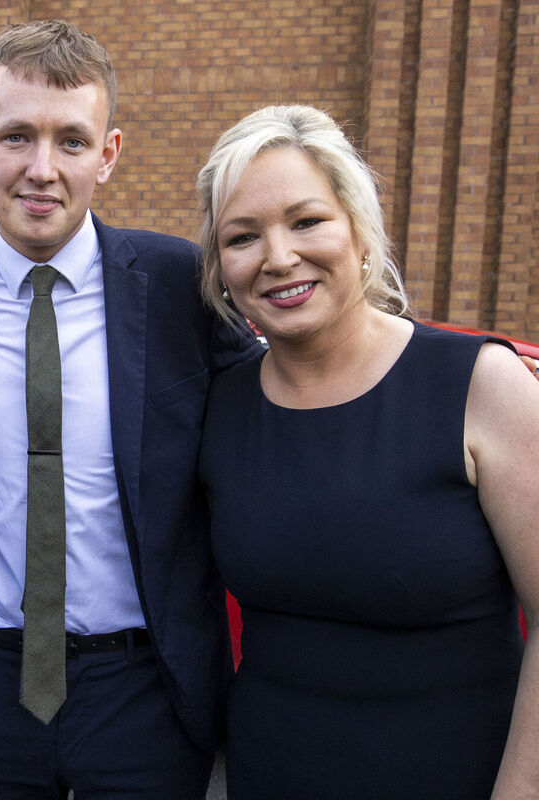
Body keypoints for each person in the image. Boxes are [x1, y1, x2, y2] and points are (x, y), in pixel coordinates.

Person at [0, 20, 261, 798]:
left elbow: (286, 399)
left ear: (107, 154)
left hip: (143, 691)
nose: (42, 168)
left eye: (71, 141)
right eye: (16, 137)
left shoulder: (182, 288)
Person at [196, 104, 539, 799]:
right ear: (221, 267)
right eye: (243, 236)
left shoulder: (482, 386)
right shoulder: (219, 406)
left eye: (306, 220)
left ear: (359, 230)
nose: (279, 256)